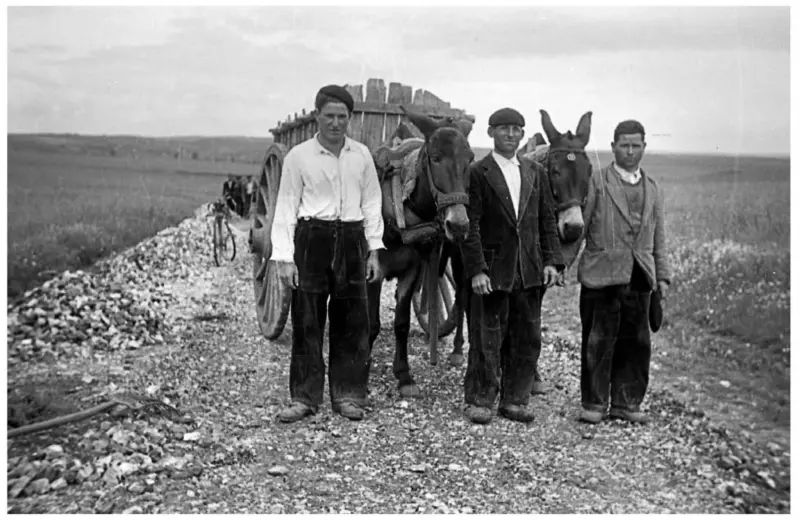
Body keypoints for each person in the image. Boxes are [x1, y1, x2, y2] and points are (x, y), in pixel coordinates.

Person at [270, 84, 384, 423]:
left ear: (350, 119)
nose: (336, 123)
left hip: (351, 239)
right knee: (307, 318)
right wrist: (285, 257)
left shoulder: (361, 155)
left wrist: (374, 250)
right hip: (312, 238)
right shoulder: (299, 156)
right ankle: (304, 397)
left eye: (342, 117)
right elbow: (286, 206)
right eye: (329, 116)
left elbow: (372, 203)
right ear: (317, 116)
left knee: (352, 320)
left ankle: (348, 395)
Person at [461, 107, 563, 425]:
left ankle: (515, 400)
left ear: (522, 134)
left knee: (526, 337)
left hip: (529, 270)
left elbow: (546, 219)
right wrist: (477, 269)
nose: (510, 134)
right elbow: (471, 225)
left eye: (516, 129)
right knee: (486, 336)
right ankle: (480, 400)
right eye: (503, 128)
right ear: (491, 133)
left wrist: (552, 261)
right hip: (492, 271)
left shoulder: (535, 172)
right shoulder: (478, 172)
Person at [577, 119, 671, 424]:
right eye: (624, 145)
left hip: (640, 276)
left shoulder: (653, 188)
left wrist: (663, 275)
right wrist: (560, 264)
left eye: (636, 145)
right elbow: (580, 225)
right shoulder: (597, 182)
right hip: (600, 275)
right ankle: (594, 404)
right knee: (598, 340)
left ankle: (627, 404)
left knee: (636, 342)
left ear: (644, 147)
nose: (630, 151)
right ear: (613, 147)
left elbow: (659, 236)